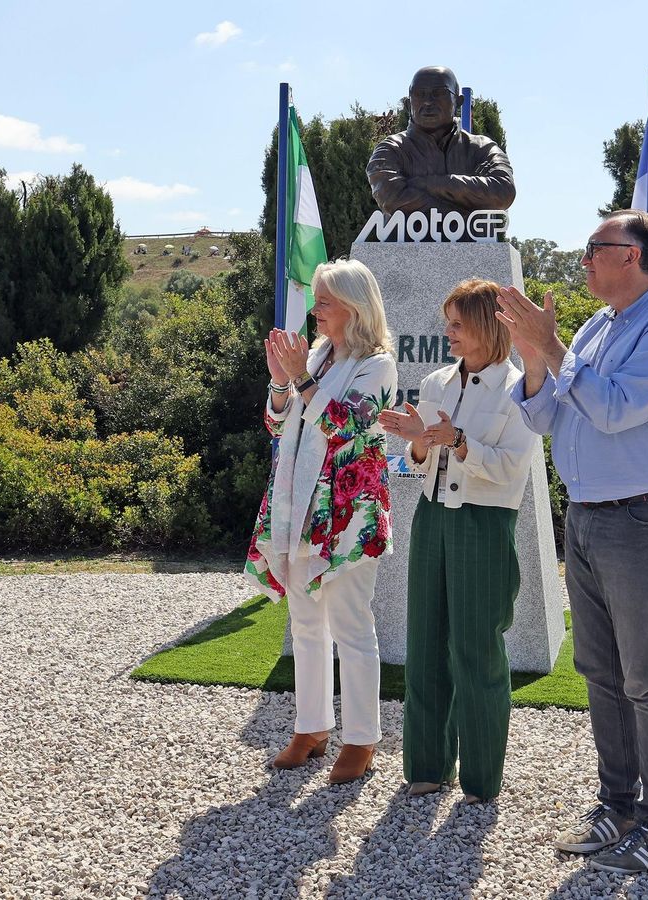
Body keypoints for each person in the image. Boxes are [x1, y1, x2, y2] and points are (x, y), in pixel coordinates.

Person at [494, 209, 648, 874]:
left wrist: (553, 347)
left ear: (636, 256)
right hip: (589, 517)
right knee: (601, 673)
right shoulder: (598, 326)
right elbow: (545, 413)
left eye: (597, 249)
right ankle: (616, 806)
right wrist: (534, 357)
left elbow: (615, 408)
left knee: (647, 676)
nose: (584, 259)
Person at [379, 279, 537, 804]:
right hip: (432, 518)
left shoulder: (518, 390)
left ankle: (482, 779)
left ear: (487, 327)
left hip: (484, 524)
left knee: (477, 651)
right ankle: (426, 766)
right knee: (424, 644)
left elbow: (512, 470)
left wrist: (460, 441)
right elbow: (420, 466)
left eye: (457, 324)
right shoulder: (436, 383)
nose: (447, 332)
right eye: (447, 322)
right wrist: (418, 442)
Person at [246, 259, 397, 785]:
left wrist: (302, 379)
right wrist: (281, 384)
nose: (317, 311)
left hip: (348, 514)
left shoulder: (377, 364)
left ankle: (361, 739)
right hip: (299, 506)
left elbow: (346, 424)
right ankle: (311, 728)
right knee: (305, 621)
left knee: (352, 625)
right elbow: (277, 421)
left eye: (326, 302)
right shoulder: (317, 355)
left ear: (354, 307)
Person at [365, 66, 516, 218]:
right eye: (419, 94)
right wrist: (462, 215)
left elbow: (504, 191)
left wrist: (430, 184)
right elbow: (392, 198)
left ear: (458, 102)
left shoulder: (482, 148)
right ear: (408, 104)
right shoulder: (390, 150)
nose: (428, 102)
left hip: (474, 241)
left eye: (439, 93)